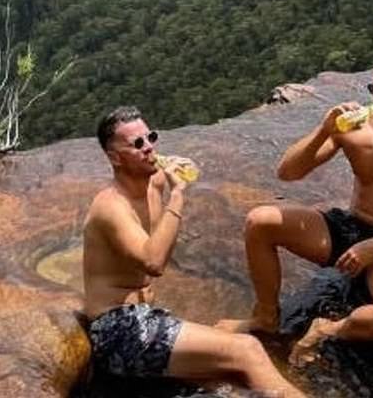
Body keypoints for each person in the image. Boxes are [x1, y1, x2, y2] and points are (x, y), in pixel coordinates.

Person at [216, 54, 373, 366]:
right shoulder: (356, 129)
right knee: (260, 221)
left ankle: (329, 329)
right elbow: (287, 172)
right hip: (347, 227)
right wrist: (324, 130)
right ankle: (265, 317)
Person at [83, 106, 305, 397]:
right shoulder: (111, 206)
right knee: (247, 351)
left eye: (151, 137)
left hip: (144, 318)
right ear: (114, 157)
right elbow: (153, 262)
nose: (149, 147)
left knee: (229, 377)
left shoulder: (151, 181)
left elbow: (182, 166)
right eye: (137, 144)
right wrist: (176, 196)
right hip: (119, 331)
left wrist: (179, 166)